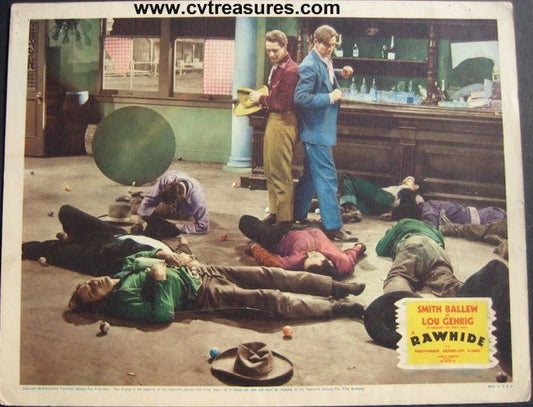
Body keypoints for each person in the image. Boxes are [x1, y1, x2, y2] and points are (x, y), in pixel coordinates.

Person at [67, 248, 366, 323]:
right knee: (267, 297)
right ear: (99, 302)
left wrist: (162, 255)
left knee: (270, 274)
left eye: (87, 283)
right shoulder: (123, 303)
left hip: (202, 270)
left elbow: (136, 258)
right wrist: (159, 281)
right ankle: (337, 309)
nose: (93, 283)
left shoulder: (120, 273)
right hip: (201, 294)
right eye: (91, 290)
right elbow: (162, 314)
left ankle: (335, 287)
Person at [368, 218, 510, 364]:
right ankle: (471, 293)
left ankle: (398, 305)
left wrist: (390, 233)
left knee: (399, 276)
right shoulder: (435, 232)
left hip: (414, 244)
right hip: (438, 250)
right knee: (446, 282)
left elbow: (380, 248)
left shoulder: (402, 223)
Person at [292, 24, 355, 242]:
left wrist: (340, 74)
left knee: (310, 176)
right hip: (315, 131)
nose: (331, 49)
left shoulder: (322, 59)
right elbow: (301, 98)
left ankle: (297, 215)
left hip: (319, 129)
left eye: (333, 46)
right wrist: (330, 97)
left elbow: (324, 76)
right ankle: (333, 227)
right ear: (315, 42)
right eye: (327, 45)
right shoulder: (309, 64)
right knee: (328, 178)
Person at [22, 204, 190, 276]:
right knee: (66, 211)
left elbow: (130, 253)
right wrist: (182, 244)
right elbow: (156, 224)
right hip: (113, 234)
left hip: (99, 254)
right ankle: (72, 239)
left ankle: (70, 242)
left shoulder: (165, 267)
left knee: (46, 250)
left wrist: (160, 255)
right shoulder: (179, 253)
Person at [248, 30, 299, 226]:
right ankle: (275, 212)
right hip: (274, 120)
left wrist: (260, 99)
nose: (271, 54)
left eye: (275, 50)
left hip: (284, 121)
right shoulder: (278, 68)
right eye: (268, 51)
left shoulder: (291, 70)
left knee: (281, 172)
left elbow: (283, 103)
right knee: (270, 169)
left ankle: (284, 220)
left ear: (285, 47)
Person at [239, 214, 366, 281]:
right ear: (330, 263)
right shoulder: (342, 263)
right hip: (311, 228)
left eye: (308, 258)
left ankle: (270, 223)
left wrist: (254, 248)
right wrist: (359, 247)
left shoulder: (296, 261)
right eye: (316, 256)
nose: (310, 253)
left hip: (280, 236)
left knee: (245, 221)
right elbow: (351, 255)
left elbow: (270, 260)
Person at [134, 169, 209, 235]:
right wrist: (140, 220)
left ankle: (139, 199)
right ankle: (139, 198)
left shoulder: (198, 200)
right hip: (174, 200)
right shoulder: (168, 178)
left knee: (157, 217)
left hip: (184, 211)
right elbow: (151, 197)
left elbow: (203, 227)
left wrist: (177, 226)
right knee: (139, 208)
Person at [391, 188, 506, 229]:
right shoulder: (428, 206)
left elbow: (429, 228)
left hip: (487, 218)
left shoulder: (427, 211)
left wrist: (400, 224)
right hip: (487, 215)